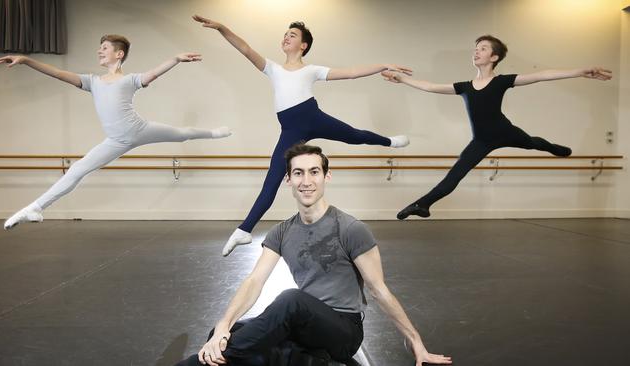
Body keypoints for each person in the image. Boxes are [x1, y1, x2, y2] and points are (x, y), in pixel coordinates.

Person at [175, 143, 452, 366]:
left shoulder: (351, 229)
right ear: (288, 179)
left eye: (314, 172)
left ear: (326, 176)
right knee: (224, 333)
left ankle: (200, 363)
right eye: (298, 173)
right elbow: (254, 281)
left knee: (290, 300)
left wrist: (416, 342)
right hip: (304, 326)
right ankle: (311, 360)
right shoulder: (282, 232)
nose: (306, 181)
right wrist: (223, 325)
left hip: (343, 330)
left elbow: (379, 290)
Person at [192, 15, 412, 256]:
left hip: (313, 117)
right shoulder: (273, 69)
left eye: (292, 34)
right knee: (273, 178)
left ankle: (390, 141)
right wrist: (223, 28)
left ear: (303, 45)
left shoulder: (312, 70)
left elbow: (350, 72)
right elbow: (245, 49)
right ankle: (244, 230)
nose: (286, 36)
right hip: (291, 130)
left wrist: (381, 66)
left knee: (354, 135)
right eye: (285, 34)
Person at [0, 34, 231, 229]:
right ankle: (35, 208)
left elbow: (154, 73)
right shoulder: (92, 81)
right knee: (77, 169)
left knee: (182, 133)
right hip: (116, 140)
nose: (99, 51)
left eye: (104, 48)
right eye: (99, 48)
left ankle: (214, 133)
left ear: (119, 54)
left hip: (139, 129)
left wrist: (175, 59)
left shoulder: (129, 80)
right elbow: (57, 73)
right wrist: (26, 60)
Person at [382, 35, 612, 219]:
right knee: (455, 174)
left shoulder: (502, 81)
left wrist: (580, 72)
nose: (476, 51)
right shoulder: (465, 86)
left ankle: (555, 149)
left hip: (505, 131)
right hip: (481, 141)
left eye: (482, 48)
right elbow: (431, 87)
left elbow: (542, 75)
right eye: (476, 48)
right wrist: (402, 79)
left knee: (532, 143)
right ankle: (422, 205)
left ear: (494, 57)